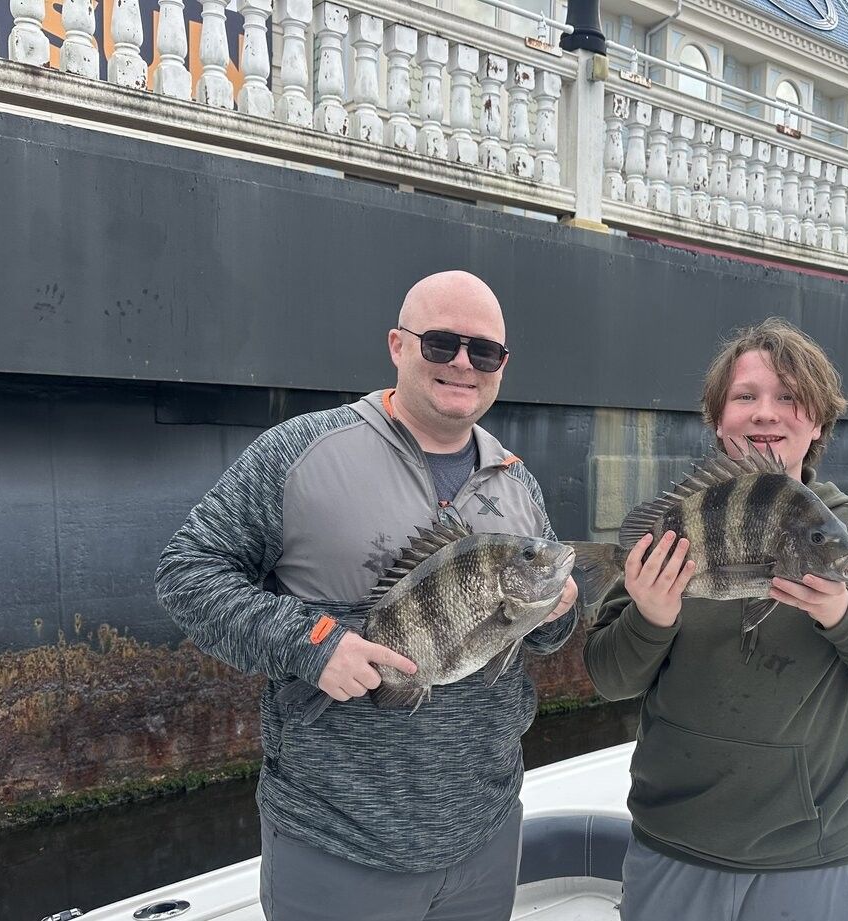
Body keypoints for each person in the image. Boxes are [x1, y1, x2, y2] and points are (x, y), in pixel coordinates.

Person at [156, 270, 578, 921]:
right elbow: (187, 570)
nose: (464, 363)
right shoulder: (301, 449)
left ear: (502, 365)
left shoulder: (517, 480)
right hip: (339, 848)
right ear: (397, 345)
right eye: (441, 343)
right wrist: (314, 644)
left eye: (484, 351)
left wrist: (557, 611)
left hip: (487, 835)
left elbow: (536, 636)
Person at [584, 316, 848, 921]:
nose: (765, 413)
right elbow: (609, 677)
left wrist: (843, 614)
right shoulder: (673, 526)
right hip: (674, 845)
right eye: (744, 397)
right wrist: (650, 617)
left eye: (788, 398)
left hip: (814, 860)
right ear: (718, 419)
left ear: (818, 423)